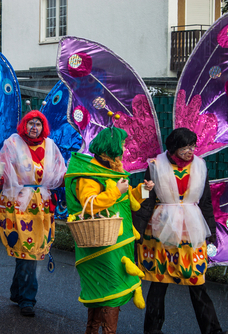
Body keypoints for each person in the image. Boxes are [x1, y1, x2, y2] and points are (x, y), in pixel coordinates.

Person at [133, 128, 228, 334]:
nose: (190, 151)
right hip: (160, 231)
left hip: (191, 231)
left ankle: (213, 331)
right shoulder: (155, 166)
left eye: (193, 146)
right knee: (159, 283)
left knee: (197, 282)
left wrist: (210, 232)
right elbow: (146, 198)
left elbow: (205, 203)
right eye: (185, 147)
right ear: (174, 147)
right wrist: (137, 231)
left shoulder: (200, 166)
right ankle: (152, 331)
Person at [65, 127, 154, 334]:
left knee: (104, 290)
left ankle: (93, 330)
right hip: (100, 242)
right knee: (111, 288)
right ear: (111, 147)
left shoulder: (112, 170)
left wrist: (143, 190)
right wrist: (115, 190)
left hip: (116, 240)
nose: (124, 148)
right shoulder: (89, 174)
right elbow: (90, 203)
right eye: (122, 144)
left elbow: (124, 200)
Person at [0, 110, 66, 317]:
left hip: (42, 206)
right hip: (17, 206)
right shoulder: (12, 144)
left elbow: (60, 173)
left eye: (38, 124)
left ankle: (17, 291)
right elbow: (0, 175)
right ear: (24, 125)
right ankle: (27, 300)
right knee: (28, 252)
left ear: (43, 127)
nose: (34, 127)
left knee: (29, 251)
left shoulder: (50, 146)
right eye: (30, 123)